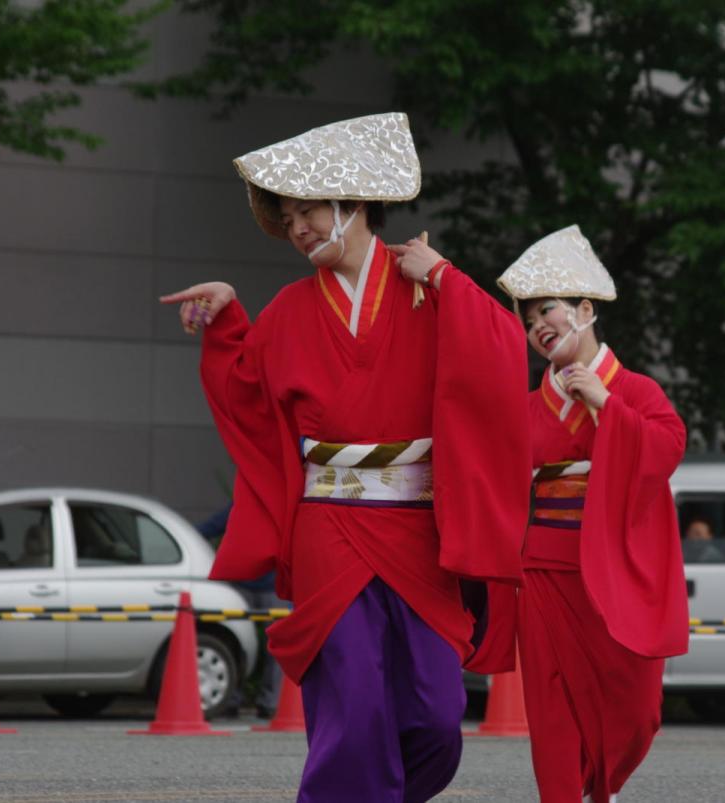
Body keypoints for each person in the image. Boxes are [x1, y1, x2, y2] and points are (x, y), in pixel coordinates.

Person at [160, 113, 530, 802]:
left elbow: (506, 359)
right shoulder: (291, 309)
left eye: (308, 212)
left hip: (420, 531)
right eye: (289, 216)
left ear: (353, 204)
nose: (297, 228)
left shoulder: (429, 288)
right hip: (329, 526)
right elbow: (248, 396)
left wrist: (447, 274)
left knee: (437, 719)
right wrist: (229, 318)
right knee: (353, 711)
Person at [496, 225, 689, 803]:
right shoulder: (527, 406)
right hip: (545, 572)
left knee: (639, 711)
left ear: (585, 309)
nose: (538, 328)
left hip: (617, 575)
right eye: (529, 321)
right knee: (552, 712)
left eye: (547, 311)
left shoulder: (635, 391)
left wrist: (608, 407)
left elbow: (668, 448)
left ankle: (594, 787)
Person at [196, 502, 285, 719]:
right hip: (253, 584)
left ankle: (253, 700)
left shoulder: (246, 505)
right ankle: (264, 701)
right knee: (267, 644)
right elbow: (204, 530)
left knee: (265, 644)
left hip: (256, 584)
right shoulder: (245, 505)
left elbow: (205, 530)